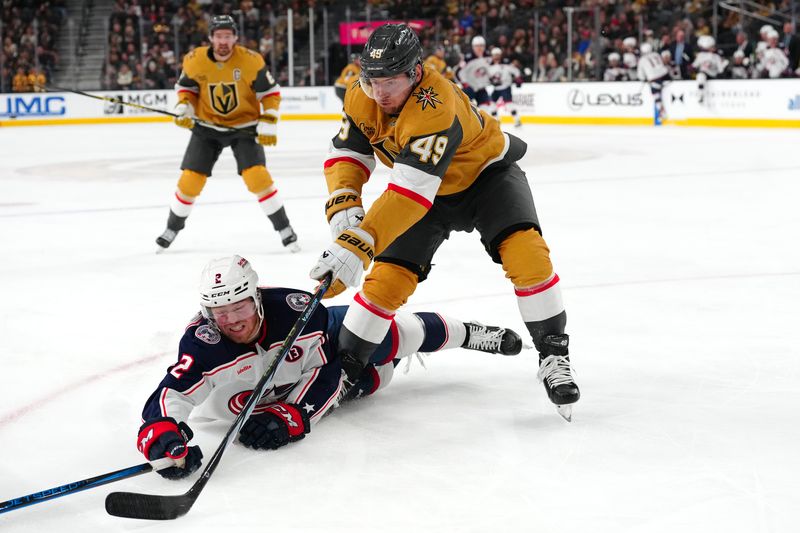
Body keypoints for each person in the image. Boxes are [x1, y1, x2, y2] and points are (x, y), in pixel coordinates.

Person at [308, 23, 580, 421]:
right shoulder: (359, 95)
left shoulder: (435, 104)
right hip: (423, 191)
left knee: (528, 256)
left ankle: (554, 355)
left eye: (390, 82)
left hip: (486, 179)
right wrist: (343, 200)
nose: (379, 93)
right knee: (386, 281)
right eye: (372, 81)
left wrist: (356, 242)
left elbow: (410, 192)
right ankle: (347, 370)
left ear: (415, 73)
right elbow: (348, 151)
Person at [136, 255, 523, 478]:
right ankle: (368, 377)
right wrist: (165, 437)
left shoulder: (296, 312)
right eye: (220, 312)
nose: (232, 321)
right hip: (262, 389)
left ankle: (466, 333)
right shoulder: (204, 342)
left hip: (310, 359)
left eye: (239, 307)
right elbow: (171, 395)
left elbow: (324, 370)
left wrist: (292, 416)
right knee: (376, 376)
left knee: (385, 335)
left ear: (256, 298)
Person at [155, 15, 299, 253]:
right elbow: (187, 89)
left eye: (228, 36)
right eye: (219, 36)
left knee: (258, 178)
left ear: (235, 38)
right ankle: (172, 228)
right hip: (206, 126)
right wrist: (184, 106)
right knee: (190, 181)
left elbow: (270, 92)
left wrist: (270, 118)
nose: (223, 41)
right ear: (210, 38)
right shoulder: (194, 60)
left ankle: (285, 229)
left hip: (243, 127)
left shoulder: (251, 61)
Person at [487, 47, 522, 127]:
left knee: (509, 105)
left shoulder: (506, 64)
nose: (496, 56)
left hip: (505, 87)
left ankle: (517, 119)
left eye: (497, 55)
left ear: (500, 55)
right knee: (492, 105)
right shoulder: (489, 66)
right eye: (494, 55)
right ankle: (496, 121)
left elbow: (516, 71)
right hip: (496, 88)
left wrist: (518, 79)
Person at [456, 35, 493, 112]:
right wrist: (465, 84)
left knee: (485, 111)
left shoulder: (488, 56)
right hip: (470, 88)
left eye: (481, 46)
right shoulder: (468, 58)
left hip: (481, 88)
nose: (479, 48)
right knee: (465, 110)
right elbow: (458, 72)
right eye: (477, 46)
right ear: (473, 47)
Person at [636, 42, 671, 122]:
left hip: (655, 78)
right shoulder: (656, 54)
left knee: (656, 95)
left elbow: (640, 75)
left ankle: (661, 113)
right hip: (666, 75)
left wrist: (644, 79)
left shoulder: (642, 59)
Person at [692, 35, 728, 105]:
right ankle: (700, 95)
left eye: (713, 47)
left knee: (701, 75)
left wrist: (724, 65)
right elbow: (694, 65)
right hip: (703, 74)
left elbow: (721, 70)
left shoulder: (716, 57)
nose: (713, 48)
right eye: (711, 47)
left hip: (713, 75)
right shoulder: (701, 55)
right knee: (700, 76)